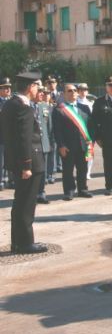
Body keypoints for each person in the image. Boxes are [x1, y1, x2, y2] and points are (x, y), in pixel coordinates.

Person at [1, 72, 47, 254]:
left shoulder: (10, 104)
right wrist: (27, 165)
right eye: (36, 86)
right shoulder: (23, 107)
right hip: (29, 162)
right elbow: (24, 139)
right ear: (30, 87)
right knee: (26, 204)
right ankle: (26, 243)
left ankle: (17, 242)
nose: (38, 90)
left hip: (16, 161)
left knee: (19, 203)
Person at [53, 84, 93, 201]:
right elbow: (57, 130)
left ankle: (83, 189)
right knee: (68, 170)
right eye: (69, 91)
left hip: (83, 144)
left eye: (75, 90)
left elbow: (90, 126)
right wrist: (61, 145)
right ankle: (69, 191)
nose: (73, 93)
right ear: (64, 94)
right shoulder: (59, 109)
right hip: (68, 146)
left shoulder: (84, 108)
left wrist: (91, 141)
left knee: (83, 168)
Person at [34, 88, 54, 204]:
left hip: (44, 143)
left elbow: (49, 127)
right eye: (39, 92)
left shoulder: (44, 107)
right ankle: (32, 193)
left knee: (42, 170)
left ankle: (41, 193)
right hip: (32, 145)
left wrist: (50, 143)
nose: (42, 94)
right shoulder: (29, 106)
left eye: (43, 92)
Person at [76, 83, 95, 180]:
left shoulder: (91, 103)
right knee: (80, 154)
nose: (83, 92)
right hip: (79, 132)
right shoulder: (75, 102)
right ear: (78, 91)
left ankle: (88, 172)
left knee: (89, 153)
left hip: (89, 132)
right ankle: (81, 172)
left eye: (85, 89)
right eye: (81, 89)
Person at [0, 77, 11, 191]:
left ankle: (10, 179)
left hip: (11, 136)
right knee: (1, 159)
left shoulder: (12, 101)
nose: (8, 90)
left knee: (10, 158)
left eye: (9, 87)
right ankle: (1, 180)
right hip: (1, 136)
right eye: (4, 88)